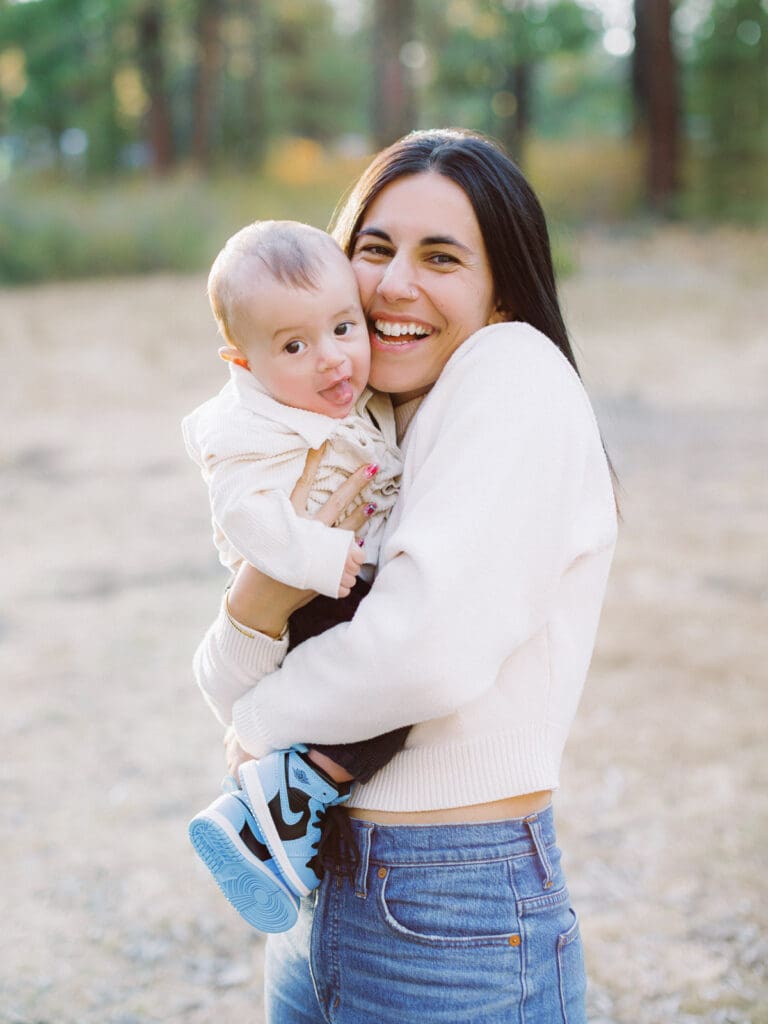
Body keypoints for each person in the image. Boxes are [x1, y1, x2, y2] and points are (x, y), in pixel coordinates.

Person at [191, 128, 618, 1024]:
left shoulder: (511, 371)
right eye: (375, 249)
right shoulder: (355, 421)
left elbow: (423, 651)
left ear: (502, 288)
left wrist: (260, 723)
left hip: (446, 895)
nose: (394, 284)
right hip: (320, 886)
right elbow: (230, 675)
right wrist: (265, 601)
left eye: (442, 257)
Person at [183, 220, 410, 932]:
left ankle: (265, 817)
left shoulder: (340, 398)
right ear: (243, 363)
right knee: (388, 701)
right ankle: (289, 794)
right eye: (294, 346)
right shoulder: (247, 428)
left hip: (334, 588)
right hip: (314, 597)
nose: (332, 360)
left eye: (344, 328)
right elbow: (249, 517)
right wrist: (317, 556)